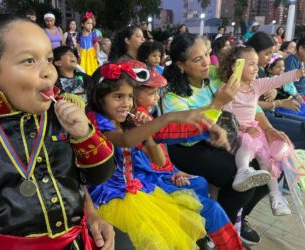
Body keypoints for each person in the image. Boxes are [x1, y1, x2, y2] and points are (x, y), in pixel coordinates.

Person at [0, 14, 117, 250]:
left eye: (49, 59)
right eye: (29, 61)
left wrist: (84, 134)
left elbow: (99, 176)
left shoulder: (63, 116)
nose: (48, 71)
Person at [86, 61, 228, 249]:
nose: (126, 103)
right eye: (117, 97)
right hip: (110, 198)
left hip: (136, 192)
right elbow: (125, 141)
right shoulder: (96, 122)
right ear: (100, 98)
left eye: (129, 97)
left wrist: (147, 134)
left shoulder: (128, 121)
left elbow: (159, 161)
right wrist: (167, 118)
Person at [131, 60, 245, 250]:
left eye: (207, 55)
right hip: (146, 184)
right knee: (213, 208)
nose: (157, 96)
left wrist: (174, 171)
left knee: (200, 182)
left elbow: (164, 145)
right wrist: (212, 117)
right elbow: (168, 134)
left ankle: (198, 233)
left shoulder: (144, 115)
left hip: (157, 174)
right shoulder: (136, 119)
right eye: (151, 92)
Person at [162, 33, 257, 224]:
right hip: (187, 146)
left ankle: (237, 219)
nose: (207, 62)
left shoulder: (213, 74)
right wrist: (216, 105)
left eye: (207, 54)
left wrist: (268, 126)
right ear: (181, 65)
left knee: (261, 169)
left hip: (219, 136)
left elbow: (246, 97)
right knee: (238, 182)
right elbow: (186, 136)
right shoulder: (171, 95)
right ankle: (219, 229)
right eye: (198, 59)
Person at [220, 46, 305, 216]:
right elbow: (225, 113)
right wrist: (243, 127)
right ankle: (243, 172)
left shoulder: (256, 85)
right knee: (247, 144)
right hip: (237, 130)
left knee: (266, 157)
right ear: (235, 66)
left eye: (256, 64)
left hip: (254, 127)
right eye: (251, 64)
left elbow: (283, 78)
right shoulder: (228, 89)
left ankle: (275, 196)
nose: (256, 68)